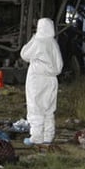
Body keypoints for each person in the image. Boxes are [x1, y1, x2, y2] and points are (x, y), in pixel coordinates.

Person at [20, 17, 63, 147]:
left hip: (38, 79)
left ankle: (36, 136)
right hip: (52, 80)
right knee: (49, 108)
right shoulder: (53, 42)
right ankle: (48, 136)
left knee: (35, 107)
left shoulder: (39, 42)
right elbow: (59, 64)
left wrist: (33, 38)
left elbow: (24, 54)